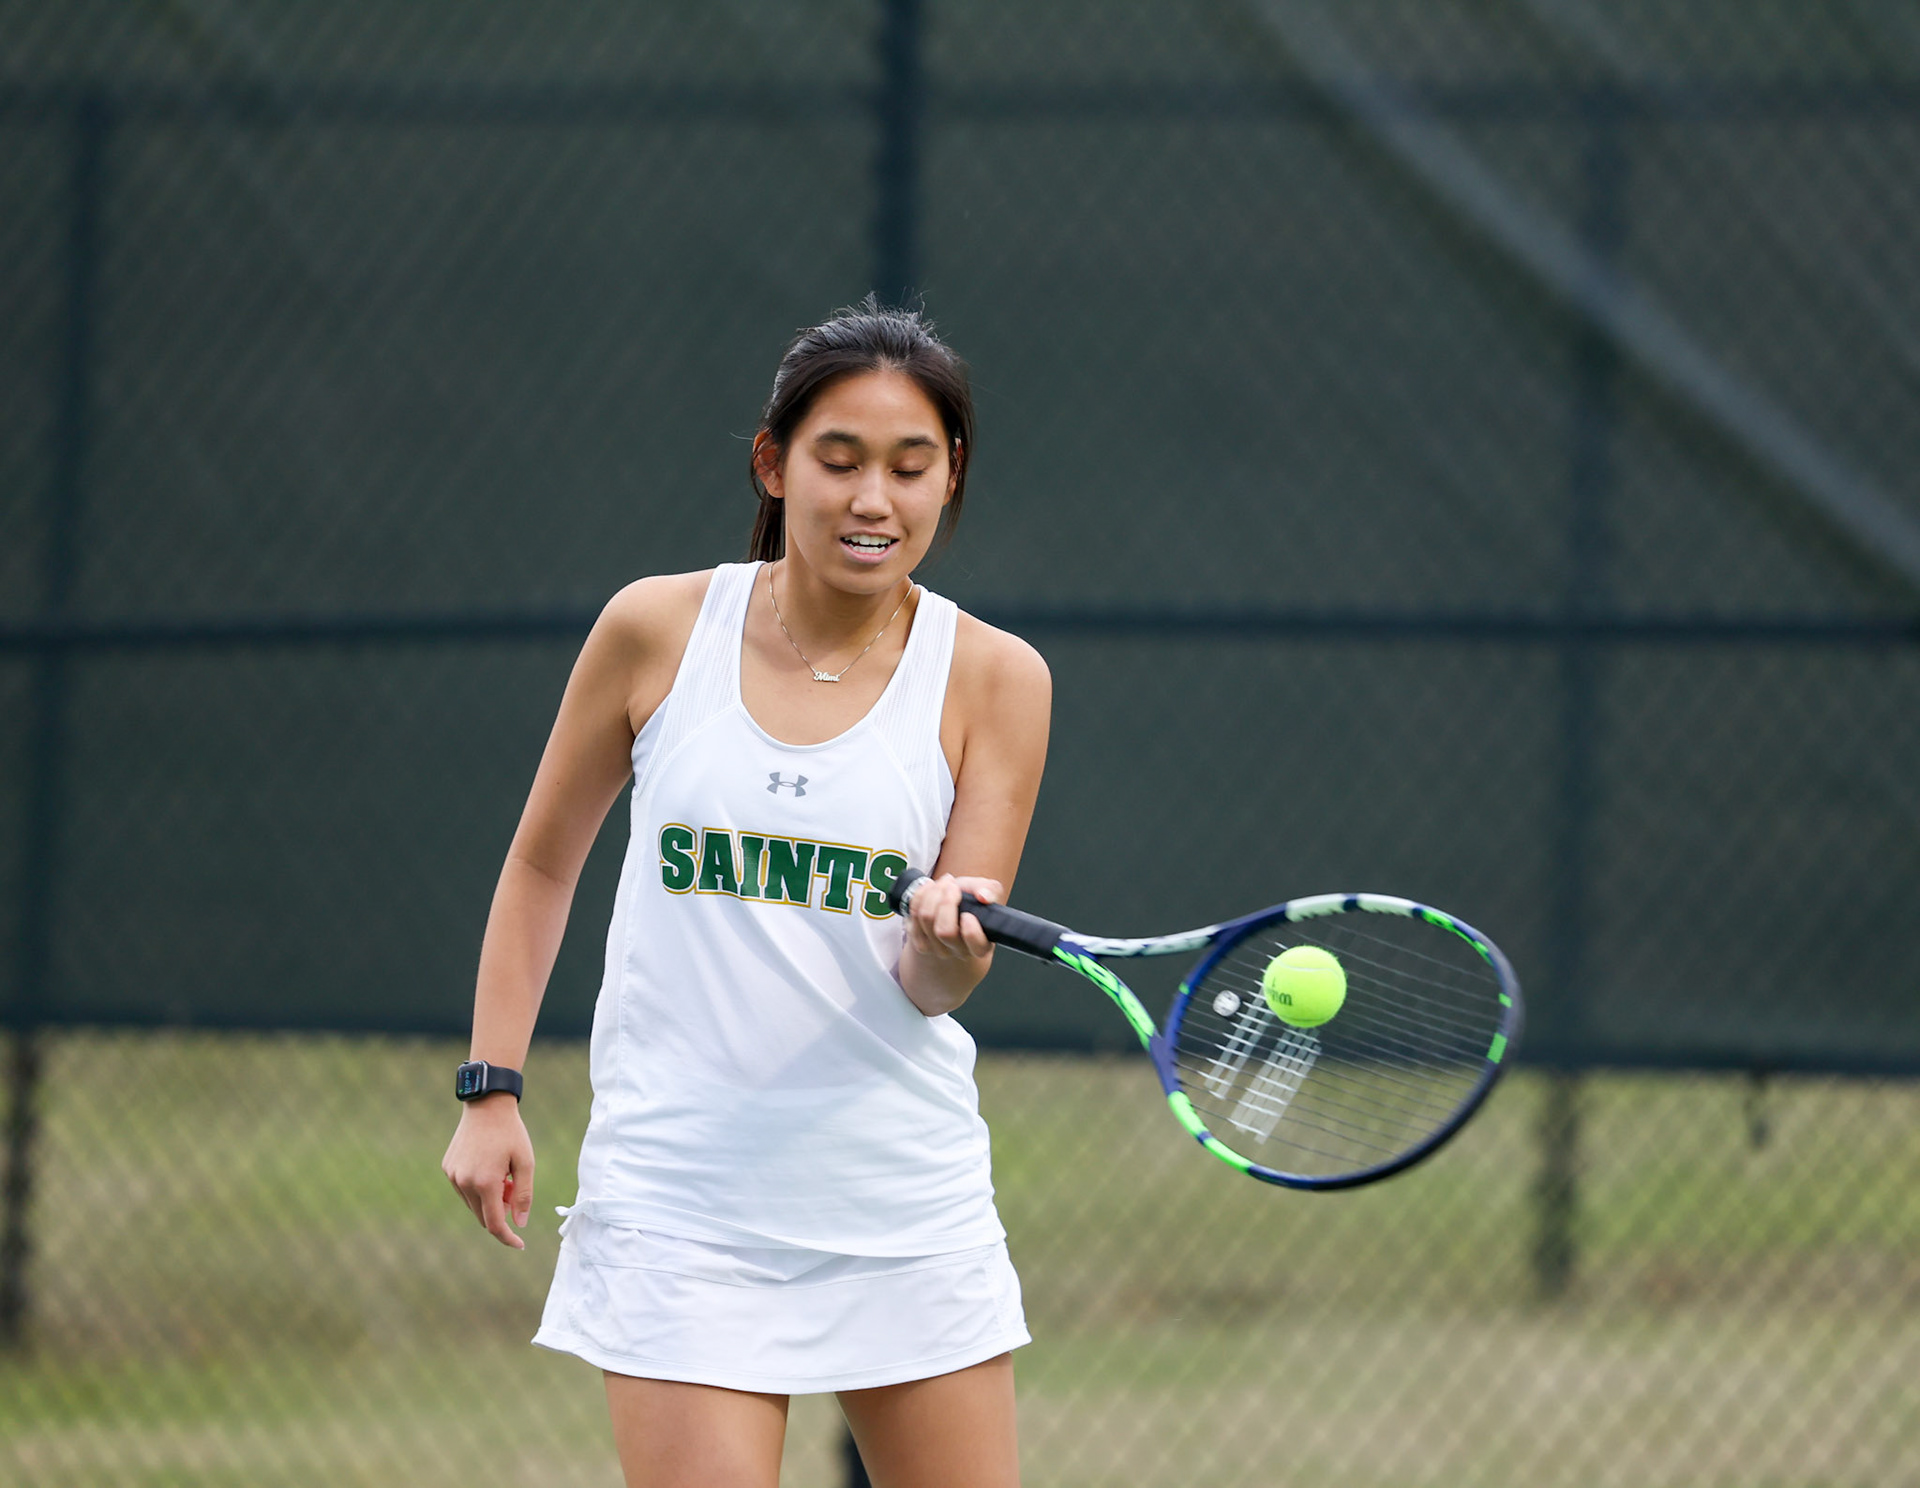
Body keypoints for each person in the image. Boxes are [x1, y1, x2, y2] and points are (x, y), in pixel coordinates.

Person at [442, 298, 1052, 1488]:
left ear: (949, 479)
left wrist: (953, 951)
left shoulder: (999, 679)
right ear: (776, 464)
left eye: (909, 467)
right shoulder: (655, 628)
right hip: (682, 1206)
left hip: (900, 1203)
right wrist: (490, 1088)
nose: (873, 499)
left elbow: (933, 985)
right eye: (840, 460)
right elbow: (541, 863)